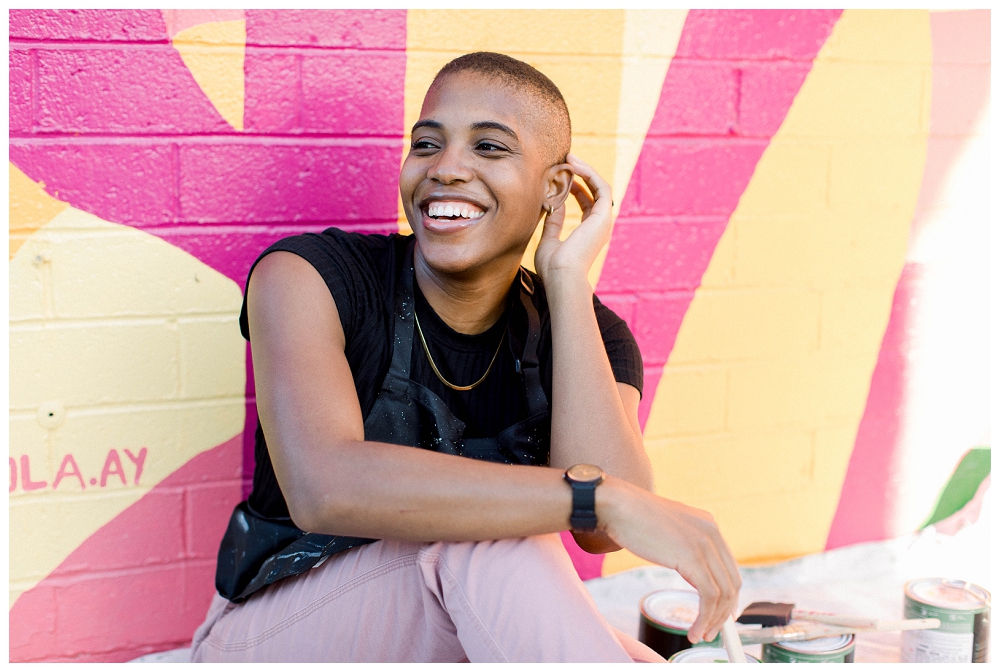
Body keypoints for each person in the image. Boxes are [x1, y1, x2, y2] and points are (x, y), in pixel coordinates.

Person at [191, 52, 740, 663]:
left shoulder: (588, 332)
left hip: (445, 624)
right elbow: (324, 487)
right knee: (495, 540)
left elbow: (605, 536)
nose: (446, 168)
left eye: (489, 147)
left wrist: (564, 280)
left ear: (554, 188)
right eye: (426, 144)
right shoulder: (310, 277)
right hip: (272, 633)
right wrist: (597, 497)